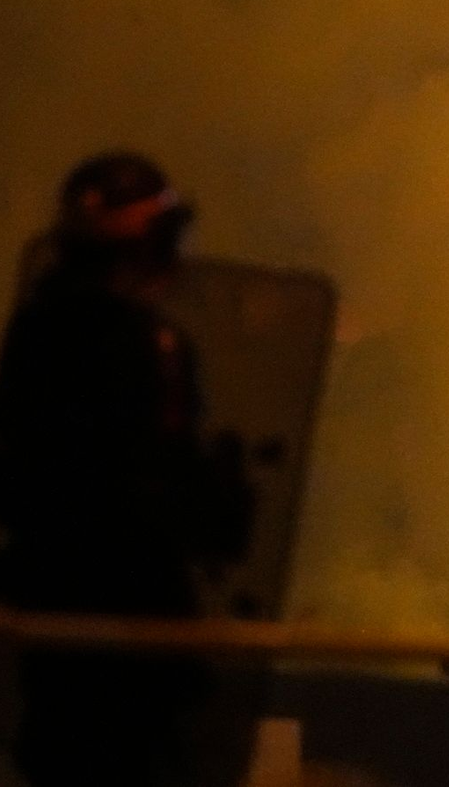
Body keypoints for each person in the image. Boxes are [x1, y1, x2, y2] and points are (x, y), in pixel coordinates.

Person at [0, 153, 225, 786]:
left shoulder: (33, 330)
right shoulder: (154, 350)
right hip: (134, 632)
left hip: (43, 617)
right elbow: (165, 487)